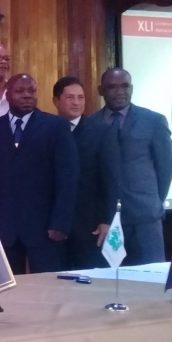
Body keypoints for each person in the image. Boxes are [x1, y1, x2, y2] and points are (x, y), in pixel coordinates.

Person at [0, 73, 79, 274]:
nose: (27, 95)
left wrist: (60, 222)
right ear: (7, 95)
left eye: (31, 91)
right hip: (4, 227)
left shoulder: (56, 126)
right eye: (20, 91)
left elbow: (68, 177)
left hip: (44, 229)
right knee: (9, 293)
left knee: (47, 291)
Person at [88, 67, 172, 265]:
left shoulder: (153, 121)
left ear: (132, 88)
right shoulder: (91, 124)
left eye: (125, 86)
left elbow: (166, 167)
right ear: (101, 90)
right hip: (107, 221)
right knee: (112, 284)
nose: (120, 91)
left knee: (151, 280)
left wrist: (154, 198)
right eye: (112, 87)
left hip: (145, 218)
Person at [52, 76, 117, 269]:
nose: (76, 102)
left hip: (90, 224)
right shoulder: (46, 129)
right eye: (70, 97)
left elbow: (112, 179)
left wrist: (107, 220)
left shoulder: (101, 131)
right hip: (53, 225)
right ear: (56, 101)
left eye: (80, 97)